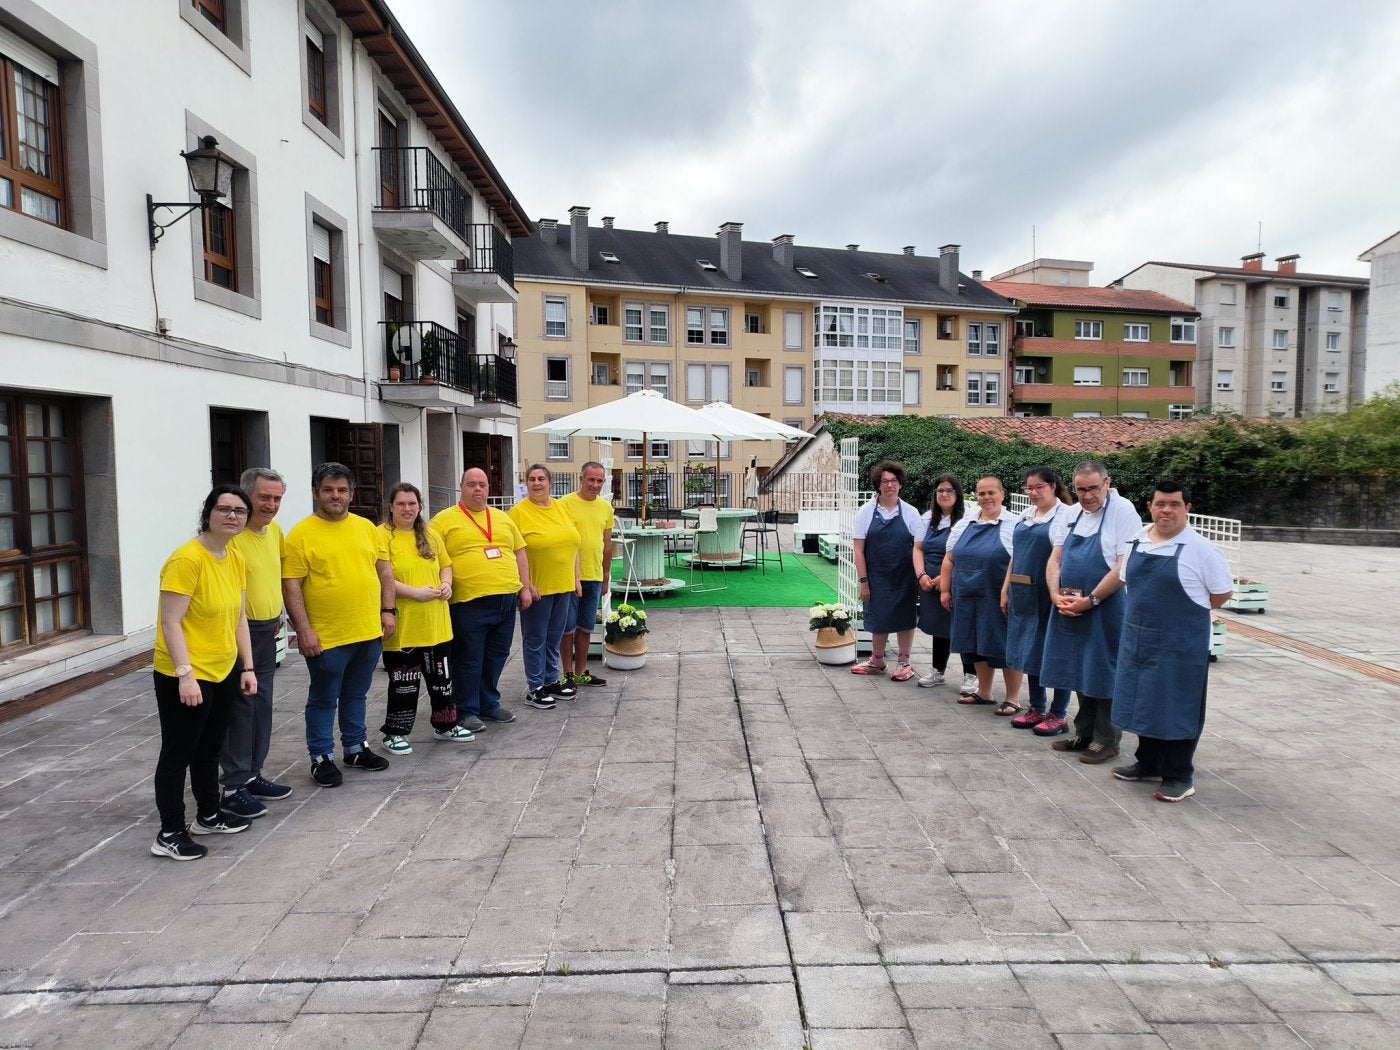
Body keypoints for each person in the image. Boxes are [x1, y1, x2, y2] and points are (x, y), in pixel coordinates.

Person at [150, 486, 258, 861]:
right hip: (185, 673)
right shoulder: (186, 559)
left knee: (209, 748)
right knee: (178, 752)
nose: (232, 516)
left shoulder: (234, 557)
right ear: (208, 512)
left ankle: (209, 815)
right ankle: (169, 833)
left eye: (240, 511)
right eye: (224, 509)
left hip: (223, 669)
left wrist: (247, 666)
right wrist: (185, 675)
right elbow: (170, 621)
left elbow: (239, 618)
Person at [1110, 481, 1234, 802]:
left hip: (1180, 645)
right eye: (1160, 504)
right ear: (1149, 507)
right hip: (1139, 639)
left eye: (1174, 504)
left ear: (1187, 508)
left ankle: (1179, 775)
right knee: (1143, 700)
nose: (1166, 510)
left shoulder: (1202, 549)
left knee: (1178, 706)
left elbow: (1221, 594)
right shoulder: (1137, 541)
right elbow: (1126, 581)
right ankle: (1148, 762)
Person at [282, 462, 395, 787]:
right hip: (326, 636)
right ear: (315, 493)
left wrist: (388, 610)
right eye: (328, 490)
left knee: (356, 694)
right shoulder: (300, 534)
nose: (336, 495)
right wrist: (304, 630)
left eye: (342, 490)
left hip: (367, 631)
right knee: (323, 698)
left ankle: (356, 748)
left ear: (351, 494)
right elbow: (291, 585)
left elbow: (384, 571)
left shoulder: (367, 528)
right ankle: (321, 757)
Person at [1041, 459, 1143, 765]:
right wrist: (1055, 594)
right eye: (1081, 490)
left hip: (1106, 605)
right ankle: (1083, 733)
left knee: (1105, 669)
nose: (1087, 496)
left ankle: (1107, 740)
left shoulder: (1123, 511)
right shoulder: (1070, 514)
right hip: (1070, 605)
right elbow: (1055, 559)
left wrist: (1092, 600)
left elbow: (1123, 566)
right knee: (1079, 667)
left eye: (1094, 489)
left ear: (1107, 483)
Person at [431, 468, 533, 730]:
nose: (478, 489)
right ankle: (466, 709)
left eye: (482, 485)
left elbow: (520, 552)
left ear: (489, 488)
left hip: (505, 599)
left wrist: (525, 588)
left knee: (497, 654)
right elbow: (432, 557)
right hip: (468, 602)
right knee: (469, 657)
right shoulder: (443, 521)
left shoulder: (502, 518)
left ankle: (488, 702)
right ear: (461, 487)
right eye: (471, 484)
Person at [218, 467, 292, 821]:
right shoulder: (232, 537)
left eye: (277, 499)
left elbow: (277, 576)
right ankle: (233, 787)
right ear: (246, 496)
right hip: (238, 634)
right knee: (240, 709)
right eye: (264, 497)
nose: (271, 505)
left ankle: (252, 774)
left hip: (267, 631)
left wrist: (280, 615)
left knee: (262, 707)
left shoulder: (274, 531)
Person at [377, 482, 471, 754]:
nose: (407, 509)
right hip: (404, 623)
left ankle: (446, 724)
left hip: (436, 622)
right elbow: (381, 577)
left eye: (412, 504)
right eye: (401, 504)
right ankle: (395, 732)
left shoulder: (430, 534)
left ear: (420, 506)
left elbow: (446, 565)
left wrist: (446, 584)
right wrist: (415, 593)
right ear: (391, 507)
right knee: (404, 683)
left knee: (442, 680)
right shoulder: (381, 535)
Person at [1001, 467, 1074, 733]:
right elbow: (1015, 555)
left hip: (1050, 593)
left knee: (1056, 651)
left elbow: (1065, 557)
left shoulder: (1066, 515)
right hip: (1023, 593)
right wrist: (1006, 588)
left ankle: (1059, 712)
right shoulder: (1025, 515)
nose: (1033, 493)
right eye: (1028, 488)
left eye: (1038, 487)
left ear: (1053, 486)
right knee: (1029, 648)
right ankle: (1036, 707)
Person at [939, 476, 1020, 709]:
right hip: (966, 595)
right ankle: (984, 692)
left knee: (1004, 645)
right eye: (982, 493)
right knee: (975, 643)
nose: (986, 498)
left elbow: (1019, 562)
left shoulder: (1013, 524)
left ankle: (1013, 698)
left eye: (991, 492)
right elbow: (949, 558)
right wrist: (945, 590)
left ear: (1002, 495)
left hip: (998, 596)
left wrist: (1009, 592)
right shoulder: (965, 523)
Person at [510, 464, 583, 709]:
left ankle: (551, 680)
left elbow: (574, 545)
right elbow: (513, 552)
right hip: (537, 588)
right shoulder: (518, 513)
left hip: (563, 585)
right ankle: (535, 687)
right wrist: (526, 585)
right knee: (535, 638)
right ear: (526, 483)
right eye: (531, 479)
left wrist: (576, 578)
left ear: (550, 482)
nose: (536, 483)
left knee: (554, 637)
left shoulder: (562, 508)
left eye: (541, 478)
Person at [851, 461, 922, 680]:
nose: (889, 485)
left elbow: (919, 548)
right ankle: (877, 660)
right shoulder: (865, 512)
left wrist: (920, 576)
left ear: (900, 484)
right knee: (878, 616)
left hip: (904, 577)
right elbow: (858, 550)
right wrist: (864, 581)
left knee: (905, 618)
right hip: (876, 576)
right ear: (878, 485)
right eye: (884, 481)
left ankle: (904, 662)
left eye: (894, 481)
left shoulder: (911, 513)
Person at [559, 461, 614, 688]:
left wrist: (606, 575)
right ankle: (567, 673)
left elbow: (607, 544)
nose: (595, 485)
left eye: (600, 481)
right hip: (570, 576)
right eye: (591, 479)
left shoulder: (605, 508)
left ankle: (582, 671)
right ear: (581, 478)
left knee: (586, 626)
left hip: (594, 574)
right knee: (567, 627)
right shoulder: (564, 504)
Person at [912, 474, 968, 688]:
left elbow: (966, 552)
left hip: (957, 581)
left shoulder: (968, 519)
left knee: (962, 626)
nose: (944, 494)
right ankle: (938, 671)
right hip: (929, 583)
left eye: (949, 490)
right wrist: (921, 575)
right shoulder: (927, 518)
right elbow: (918, 548)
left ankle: (971, 675)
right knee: (939, 627)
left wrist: (945, 578)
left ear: (958, 494)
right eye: (940, 491)